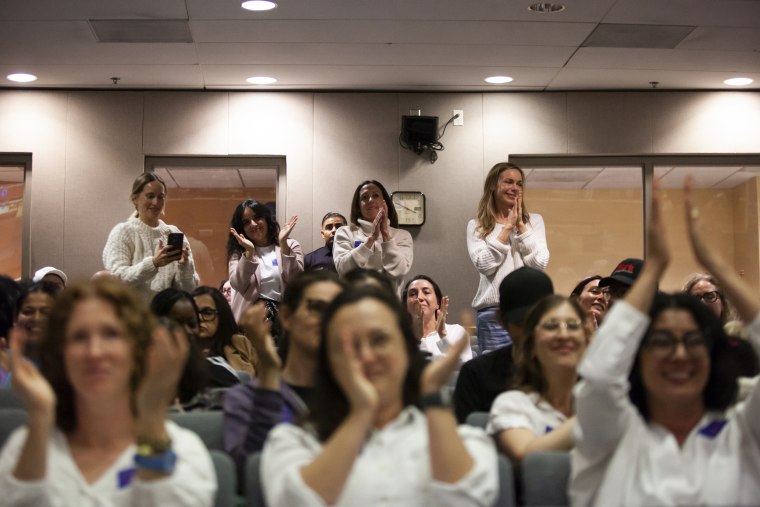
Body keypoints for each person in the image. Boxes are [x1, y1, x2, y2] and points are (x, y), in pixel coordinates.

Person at [570, 177, 760, 506]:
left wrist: (716, 266)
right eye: (661, 341)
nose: (679, 354)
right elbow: (598, 377)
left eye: (693, 341)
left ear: (713, 354)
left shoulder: (741, 431)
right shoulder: (612, 432)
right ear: (640, 356)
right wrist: (655, 265)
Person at [261, 285, 498, 506]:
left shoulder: (465, 440)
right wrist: (361, 412)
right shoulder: (293, 441)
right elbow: (293, 500)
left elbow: (469, 497)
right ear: (328, 359)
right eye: (349, 344)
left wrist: (433, 398)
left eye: (379, 340)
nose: (366, 355)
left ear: (407, 350)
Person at [0, 278, 215, 505]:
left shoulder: (184, 450)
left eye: (111, 334)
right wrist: (40, 418)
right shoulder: (25, 444)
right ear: (60, 353)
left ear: (137, 349)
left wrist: (151, 420)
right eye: (79, 337)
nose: (95, 352)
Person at [223, 271, 345, 480]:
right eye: (317, 308)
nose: (327, 320)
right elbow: (249, 475)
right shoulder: (245, 399)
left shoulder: (355, 395)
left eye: (337, 312)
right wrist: (269, 378)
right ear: (287, 317)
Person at [488, 295, 587, 463]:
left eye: (573, 326)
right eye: (551, 326)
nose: (563, 334)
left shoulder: (599, 400)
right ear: (532, 345)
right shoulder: (513, 404)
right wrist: (595, 413)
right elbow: (526, 456)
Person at [467, 162, 549, 354]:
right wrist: (506, 229)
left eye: (519, 184)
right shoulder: (477, 225)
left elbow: (539, 264)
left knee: (530, 374)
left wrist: (520, 227)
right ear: (493, 186)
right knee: (497, 378)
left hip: (529, 312)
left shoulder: (534, 221)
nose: (514, 188)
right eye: (509, 182)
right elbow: (484, 265)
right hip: (493, 314)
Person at [454, 267, 554, 423]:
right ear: (501, 320)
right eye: (521, 323)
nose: (531, 332)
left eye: (539, 322)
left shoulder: (570, 369)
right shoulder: (476, 374)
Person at [103, 173, 198, 299]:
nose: (156, 202)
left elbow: (189, 290)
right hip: (133, 315)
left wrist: (184, 267)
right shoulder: (123, 232)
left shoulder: (173, 233)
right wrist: (153, 264)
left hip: (166, 316)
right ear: (135, 199)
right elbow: (116, 279)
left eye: (161, 197)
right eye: (150, 196)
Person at [226, 199, 304, 327]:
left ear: (267, 219)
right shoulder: (239, 253)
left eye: (257, 218)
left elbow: (297, 281)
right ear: (242, 228)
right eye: (246, 222)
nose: (253, 224)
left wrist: (283, 245)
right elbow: (237, 284)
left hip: (283, 321)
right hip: (249, 322)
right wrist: (249, 252)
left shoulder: (291, 245)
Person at [333, 180, 413, 294]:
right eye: (364, 197)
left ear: (384, 202)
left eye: (375, 195)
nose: (370, 200)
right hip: (352, 306)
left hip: (389, 307)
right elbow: (343, 269)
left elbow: (398, 271)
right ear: (358, 206)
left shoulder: (402, 236)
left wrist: (385, 234)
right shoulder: (344, 232)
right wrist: (370, 240)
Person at [151, 288, 238, 392]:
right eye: (177, 324)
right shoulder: (141, 379)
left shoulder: (218, 375)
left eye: (192, 324)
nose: (188, 331)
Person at [403, 274, 472, 363]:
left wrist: (443, 336)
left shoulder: (456, 331)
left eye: (426, 292)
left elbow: (465, 368)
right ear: (405, 306)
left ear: (438, 303)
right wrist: (417, 340)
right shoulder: (398, 336)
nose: (419, 297)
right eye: (412, 294)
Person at [193, 286, 257, 377]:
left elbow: (267, 377)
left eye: (207, 312)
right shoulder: (182, 350)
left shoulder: (240, 343)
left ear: (221, 315)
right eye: (194, 312)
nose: (199, 318)